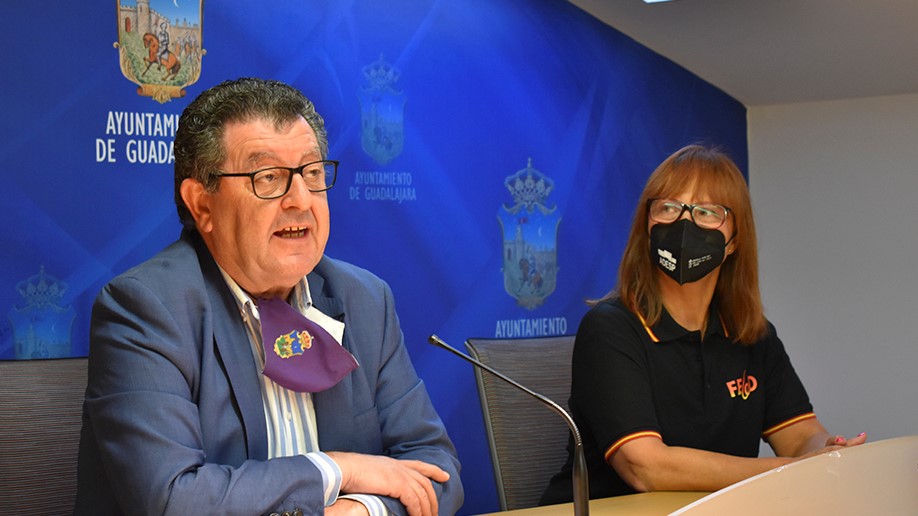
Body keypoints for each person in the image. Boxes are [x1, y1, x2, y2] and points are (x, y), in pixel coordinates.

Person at [76, 78, 463, 516]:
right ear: (202, 205)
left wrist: (362, 511)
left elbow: (436, 469)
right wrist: (338, 470)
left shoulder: (365, 299)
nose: (300, 200)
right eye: (269, 178)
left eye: (312, 173)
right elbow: (174, 499)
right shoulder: (146, 308)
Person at [541, 144, 866, 504]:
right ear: (646, 227)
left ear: (734, 242)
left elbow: (802, 436)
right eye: (667, 208)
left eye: (707, 212)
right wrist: (789, 470)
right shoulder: (610, 329)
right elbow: (646, 467)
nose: (684, 223)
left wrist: (828, 451)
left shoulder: (753, 336)